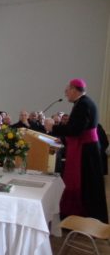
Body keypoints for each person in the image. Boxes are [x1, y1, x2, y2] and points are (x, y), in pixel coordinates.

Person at [45, 78, 108, 222]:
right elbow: (80, 129)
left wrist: (53, 127)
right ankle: (82, 217)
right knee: (88, 184)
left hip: (86, 152)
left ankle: (85, 218)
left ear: (74, 89)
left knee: (86, 185)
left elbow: (75, 130)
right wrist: (64, 139)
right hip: (87, 148)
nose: (66, 93)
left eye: (67, 90)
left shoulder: (83, 104)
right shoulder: (83, 102)